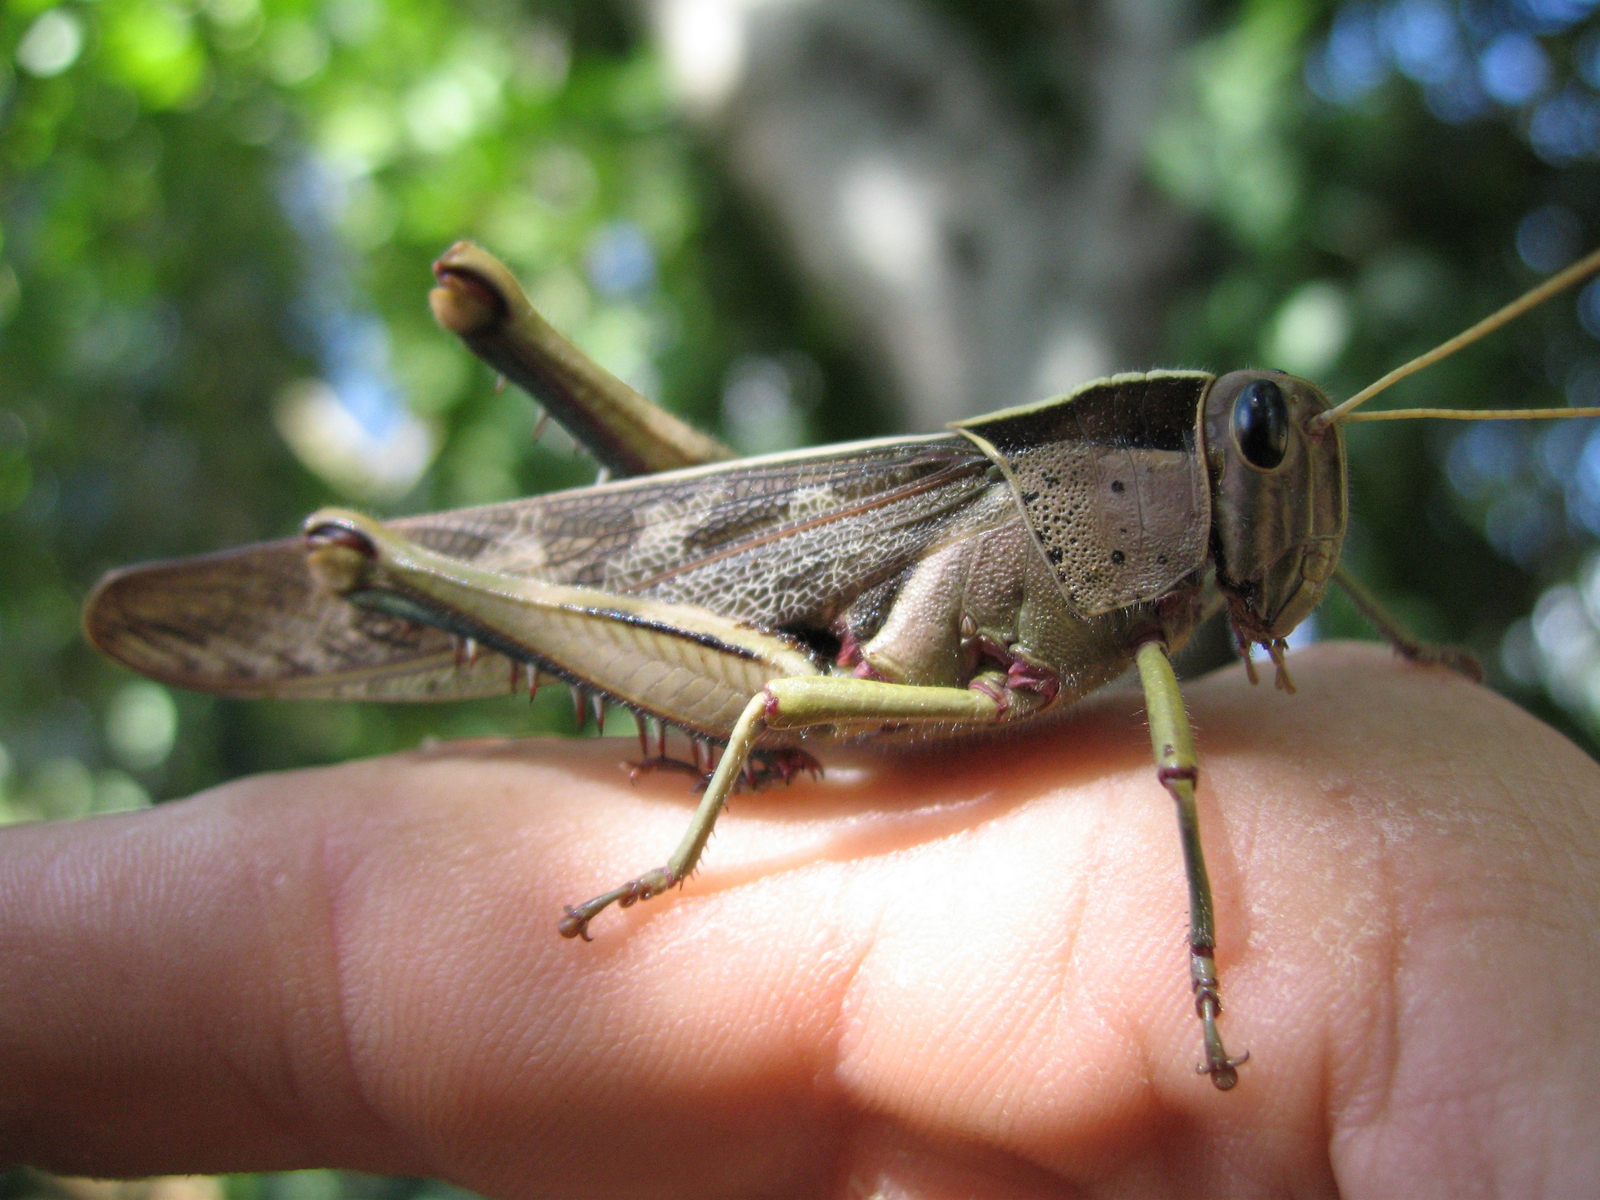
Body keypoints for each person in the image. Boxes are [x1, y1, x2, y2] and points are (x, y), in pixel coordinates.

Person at [2, 642, 1597, 1196]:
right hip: (770, 638)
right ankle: (395, 570)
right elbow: (785, 704)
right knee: (773, 699)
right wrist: (664, 875)